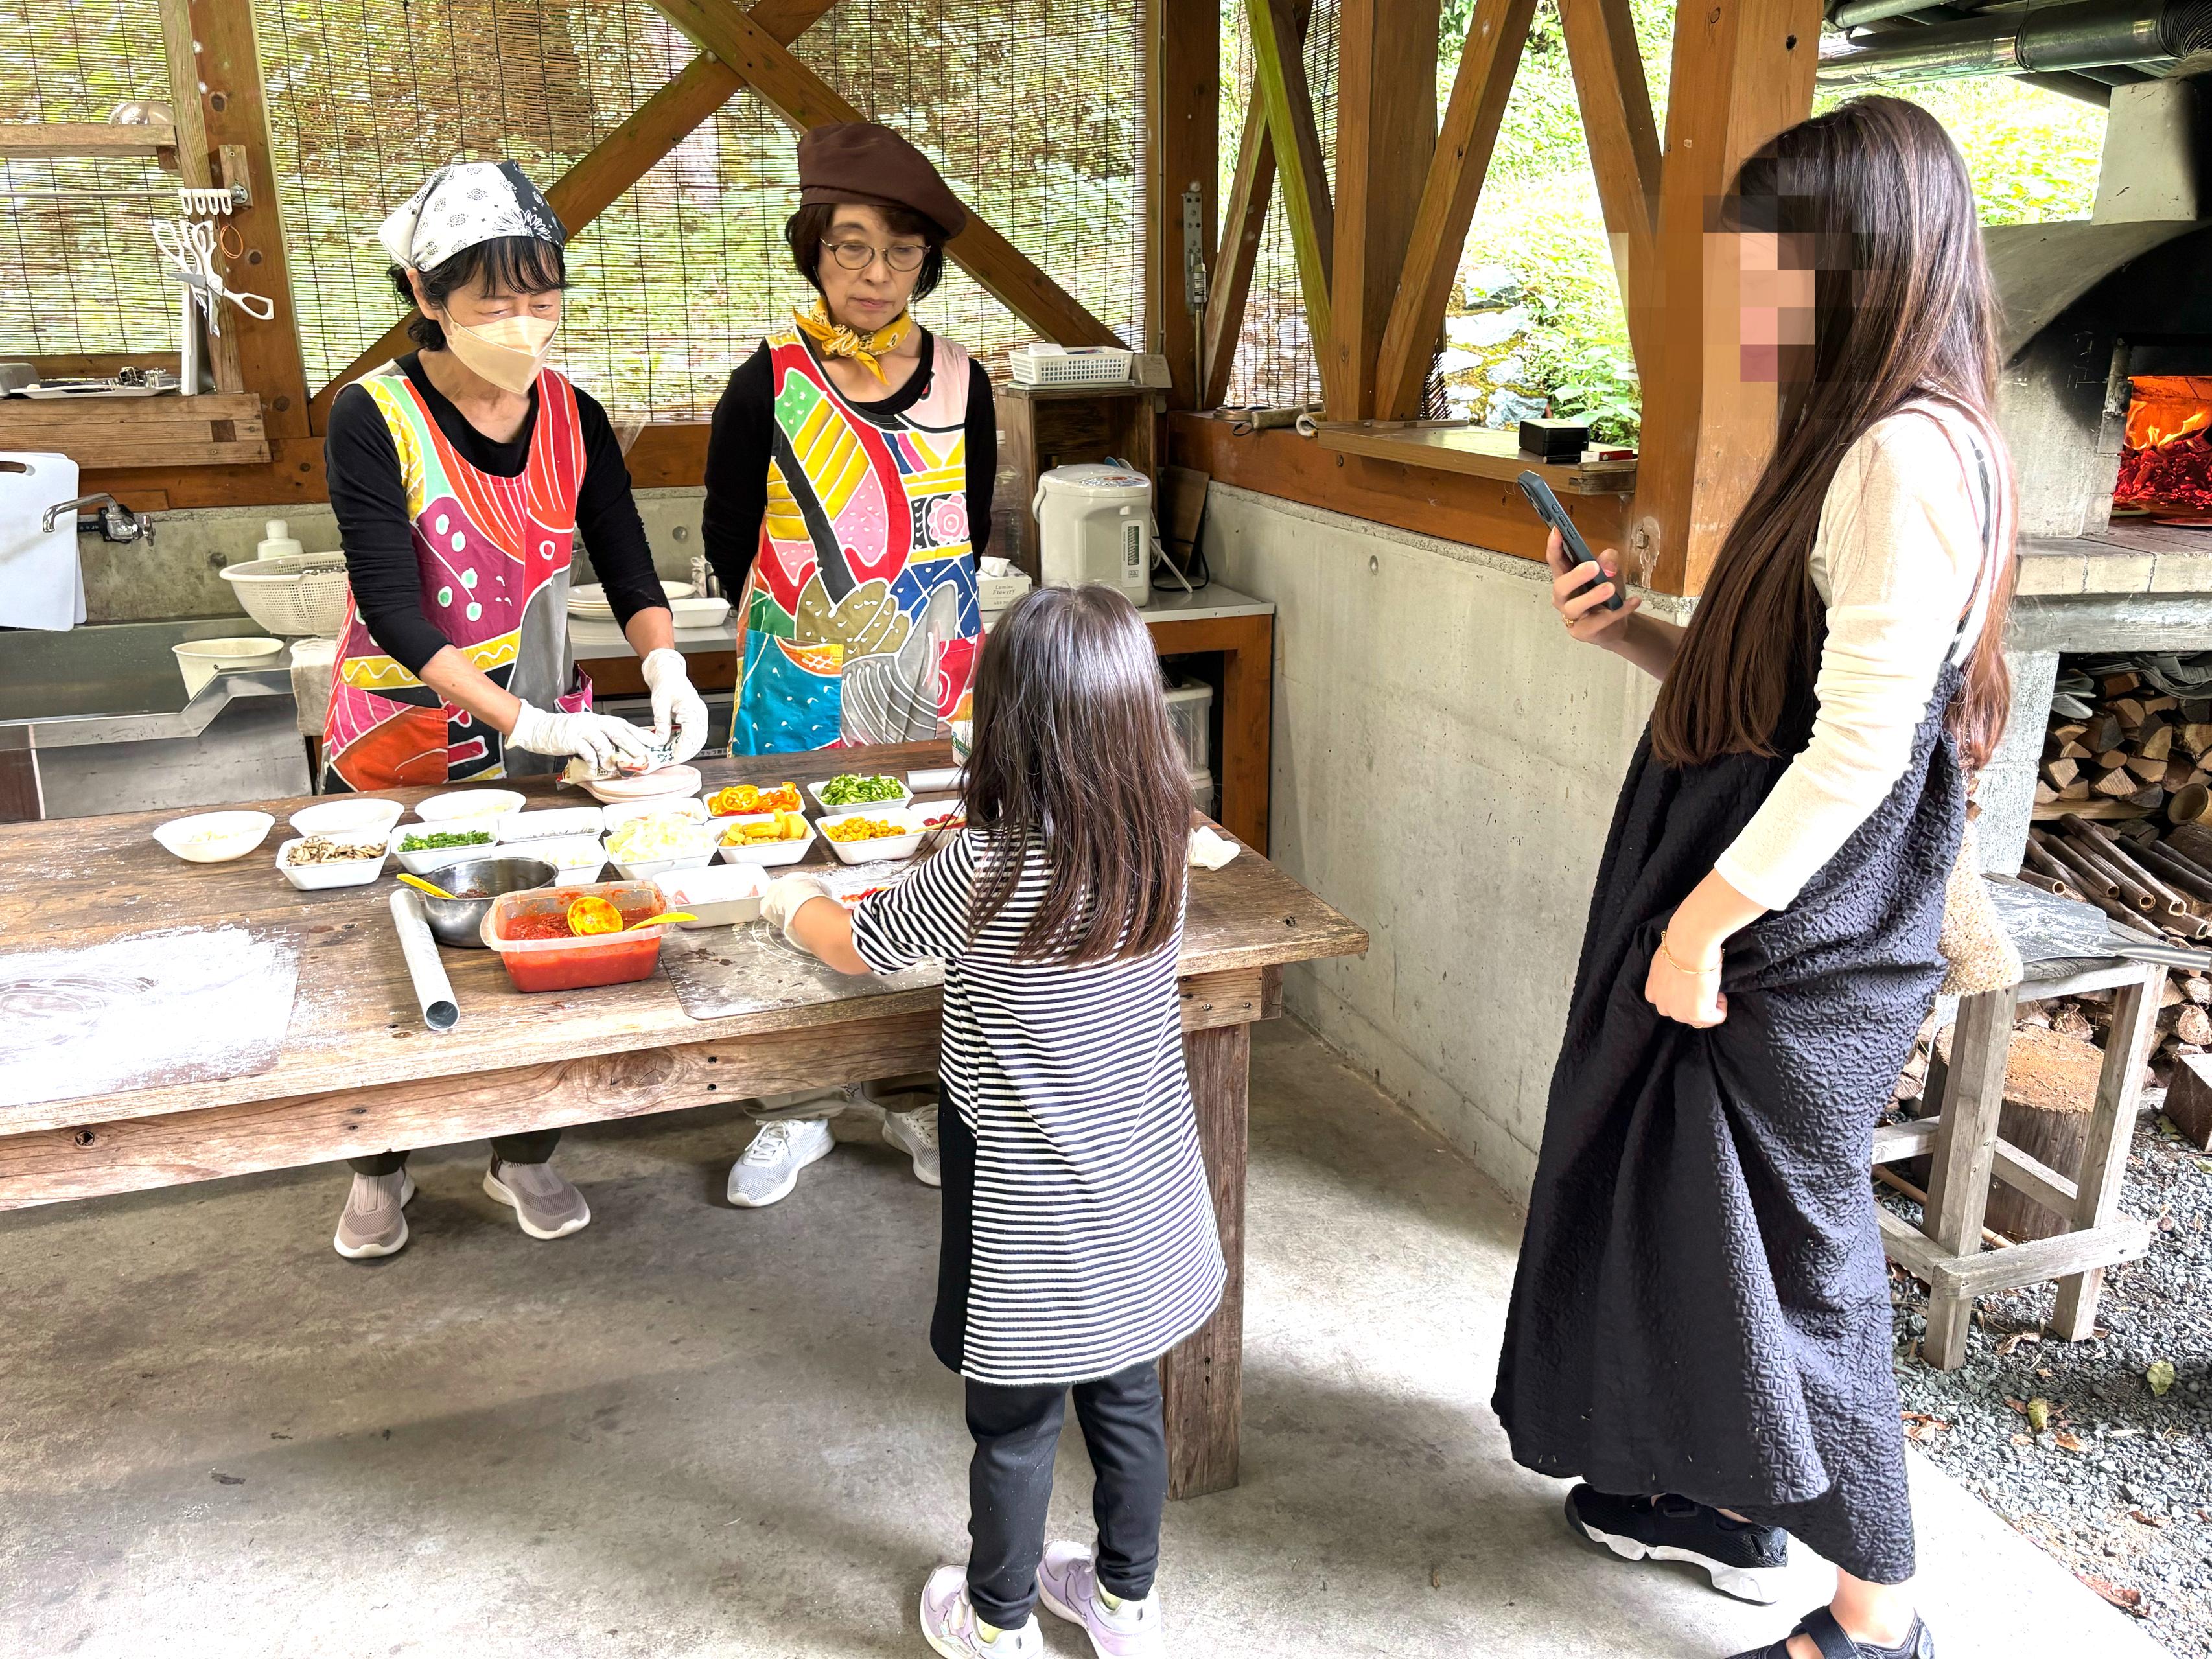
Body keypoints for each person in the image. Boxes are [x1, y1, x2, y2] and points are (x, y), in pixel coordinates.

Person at [1491, 99, 2018, 1659]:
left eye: (1770, 267)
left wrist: (1707, 925)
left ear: (1857, 263)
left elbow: (1859, 751)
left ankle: (1879, 1613)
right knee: (1681, 1204)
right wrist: (1631, 631)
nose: (1747, 301)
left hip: (1796, 919)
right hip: (1754, 882)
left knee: (1797, 1256)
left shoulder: (1904, 458)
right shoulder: (1863, 440)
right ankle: (1720, 1497)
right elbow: (1792, 693)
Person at [760, 585, 1221, 1658]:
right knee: (1126, 1396)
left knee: (1013, 1422)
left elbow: (857, 946)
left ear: (1006, 724)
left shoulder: (983, 868)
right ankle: (1122, 1605)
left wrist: (784, 899)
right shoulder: (1160, 845)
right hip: (1141, 1182)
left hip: (1026, 1196)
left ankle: (997, 1621)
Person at [320, 160, 712, 1259]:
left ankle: (524, 1153)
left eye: (544, 302)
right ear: (423, 294)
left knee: (541, 944)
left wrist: (666, 664)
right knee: (394, 962)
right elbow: (395, 610)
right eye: (496, 304)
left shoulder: (574, 413)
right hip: (404, 736)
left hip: (546, 732)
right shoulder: (374, 415)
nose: (526, 326)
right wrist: (519, 721)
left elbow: (627, 561)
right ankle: (380, 1164)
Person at [701, 121, 995, 1207]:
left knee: (933, 873)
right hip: (798, 678)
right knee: (795, 871)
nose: (875, 274)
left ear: (927, 263)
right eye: (851, 247)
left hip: (929, 677)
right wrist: (806, 616)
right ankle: (793, 1107)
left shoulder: (967, 379)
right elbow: (729, 531)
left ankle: (919, 1094)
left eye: (900, 252)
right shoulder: (766, 378)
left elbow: (971, 528)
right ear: (813, 251)